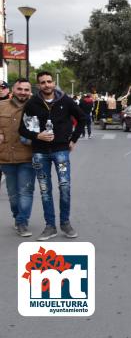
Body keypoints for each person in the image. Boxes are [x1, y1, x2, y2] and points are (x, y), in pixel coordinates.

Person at [19, 71, 86, 241]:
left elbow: (82, 118)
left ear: (53, 83)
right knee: (44, 190)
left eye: (49, 81)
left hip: (61, 151)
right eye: (43, 82)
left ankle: (65, 222)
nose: (47, 85)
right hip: (40, 153)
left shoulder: (65, 100)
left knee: (64, 186)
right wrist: (37, 136)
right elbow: (22, 129)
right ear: (38, 85)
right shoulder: (32, 103)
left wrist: (74, 140)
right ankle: (50, 226)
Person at [0, 78, 35, 236]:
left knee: (26, 192)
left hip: (29, 156)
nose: (23, 92)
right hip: (6, 157)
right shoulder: (1, 106)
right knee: (13, 194)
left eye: (26, 89)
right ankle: (17, 216)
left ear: (30, 91)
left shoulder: (37, 107)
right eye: (20, 89)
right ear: (13, 90)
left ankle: (22, 222)